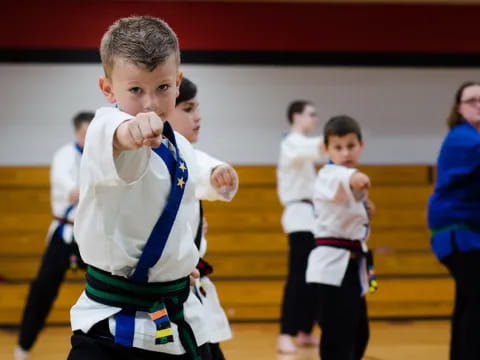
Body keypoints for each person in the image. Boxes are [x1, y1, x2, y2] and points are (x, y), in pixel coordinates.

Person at [67, 16, 235, 360]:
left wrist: (218, 174)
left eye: (162, 88)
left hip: (174, 317)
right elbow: (116, 136)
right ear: (108, 89)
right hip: (111, 330)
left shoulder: (180, 147)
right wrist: (129, 132)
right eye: (135, 90)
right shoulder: (106, 127)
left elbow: (196, 169)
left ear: (178, 81)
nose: (150, 104)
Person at [14, 112, 93, 360]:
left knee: (107, 283)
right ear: (77, 132)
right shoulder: (63, 156)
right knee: (43, 288)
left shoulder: (102, 156)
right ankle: (23, 345)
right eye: (85, 133)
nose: (89, 137)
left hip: (91, 234)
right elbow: (73, 191)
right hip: (64, 232)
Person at [169, 77, 238, 360]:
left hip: (191, 288)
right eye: (187, 108)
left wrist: (216, 173)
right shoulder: (159, 157)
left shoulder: (188, 155)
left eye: (197, 108)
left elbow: (200, 168)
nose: (197, 117)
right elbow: (194, 169)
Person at [306, 115, 374, 360]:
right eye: (338, 147)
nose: (345, 153)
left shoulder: (345, 177)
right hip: (332, 267)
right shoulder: (329, 174)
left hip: (352, 264)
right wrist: (358, 178)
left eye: (351, 146)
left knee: (359, 333)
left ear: (361, 145)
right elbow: (348, 179)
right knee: (338, 334)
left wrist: (366, 209)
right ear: (326, 149)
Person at [428, 81, 480, 360]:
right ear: (459, 109)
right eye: (472, 100)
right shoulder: (463, 138)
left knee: (468, 300)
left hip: (468, 232)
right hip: (458, 232)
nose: (479, 105)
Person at [276, 100, 325, 353]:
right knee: (297, 277)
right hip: (298, 217)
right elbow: (316, 146)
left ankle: (305, 330)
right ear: (296, 116)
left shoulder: (300, 145)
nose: (315, 119)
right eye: (311, 114)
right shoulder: (292, 142)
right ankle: (286, 333)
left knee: (313, 277)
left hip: (313, 217)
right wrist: (338, 136)